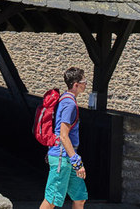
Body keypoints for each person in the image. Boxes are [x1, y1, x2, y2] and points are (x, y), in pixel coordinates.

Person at [40, 67, 88, 209]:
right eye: (84, 81)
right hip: (63, 157)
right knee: (52, 199)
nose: (86, 84)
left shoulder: (66, 100)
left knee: (80, 197)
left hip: (67, 157)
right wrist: (76, 161)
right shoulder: (69, 104)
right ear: (75, 85)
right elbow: (63, 135)